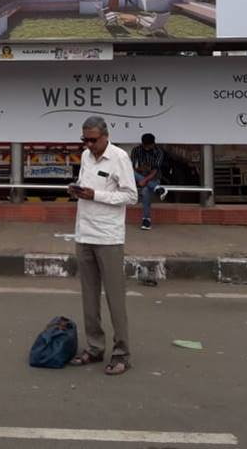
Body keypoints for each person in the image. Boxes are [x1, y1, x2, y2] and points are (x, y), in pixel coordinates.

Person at [67, 115, 137, 375]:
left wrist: (96, 195)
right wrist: (77, 190)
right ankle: (95, 347)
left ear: (106, 136)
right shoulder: (86, 157)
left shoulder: (119, 157)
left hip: (108, 237)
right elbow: (87, 185)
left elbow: (131, 196)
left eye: (93, 140)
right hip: (84, 233)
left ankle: (122, 353)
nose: (89, 145)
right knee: (89, 297)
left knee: (115, 299)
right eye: (85, 140)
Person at [131, 133, 166, 230]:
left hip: (153, 178)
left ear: (153, 144)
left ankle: (146, 220)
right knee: (130, 172)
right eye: (144, 145)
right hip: (139, 175)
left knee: (145, 191)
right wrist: (141, 169)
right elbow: (132, 168)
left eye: (149, 146)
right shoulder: (136, 150)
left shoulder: (159, 151)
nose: (146, 148)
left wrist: (145, 180)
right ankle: (157, 188)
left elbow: (155, 170)